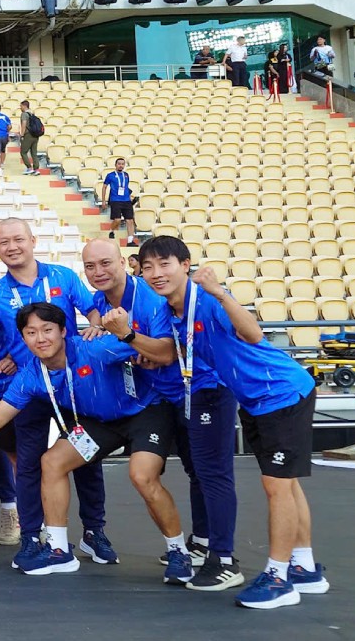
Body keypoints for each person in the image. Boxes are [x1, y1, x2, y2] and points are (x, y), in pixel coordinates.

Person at [139, 236, 326, 609]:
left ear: (185, 264)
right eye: (148, 267)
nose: (156, 274)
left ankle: (278, 577)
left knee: (276, 486)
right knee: (285, 485)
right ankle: (303, 567)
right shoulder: (167, 311)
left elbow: (254, 334)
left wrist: (220, 292)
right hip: (256, 400)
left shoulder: (206, 299)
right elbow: (171, 352)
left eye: (165, 264)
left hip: (281, 393)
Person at [0, 301, 189, 581]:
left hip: (144, 412)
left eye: (47, 330)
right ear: (23, 338)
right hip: (100, 423)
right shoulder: (31, 375)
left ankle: (178, 551)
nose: (40, 338)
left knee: (142, 475)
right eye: (31, 333)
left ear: (63, 331)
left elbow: (165, 352)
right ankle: (59, 550)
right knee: (51, 461)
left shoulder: (94, 347)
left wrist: (144, 351)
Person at [81, 239, 242, 591]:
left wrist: (129, 338)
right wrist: (115, 336)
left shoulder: (153, 299)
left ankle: (224, 557)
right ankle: (201, 542)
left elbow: (167, 352)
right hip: (171, 397)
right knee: (196, 470)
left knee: (211, 474)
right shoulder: (99, 300)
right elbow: (128, 339)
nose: (99, 272)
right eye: (91, 267)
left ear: (124, 263)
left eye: (106, 263)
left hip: (203, 390)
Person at [101, 157, 137, 242]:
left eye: (122, 164)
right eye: (119, 164)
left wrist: (130, 199)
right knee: (117, 219)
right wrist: (103, 200)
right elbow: (104, 187)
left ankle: (130, 241)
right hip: (115, 200)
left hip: (126, 200)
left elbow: (126, 188)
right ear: (115, 165)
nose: (121, 166)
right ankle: (112, 231)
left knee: (130, 220)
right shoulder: (110, 175)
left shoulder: (126, 175)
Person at [16, 100, 44, 175]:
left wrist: (22, 134)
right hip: (35, 135)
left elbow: (24, 124)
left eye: (21, 106)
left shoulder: (24, 114)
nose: (20, 107)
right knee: (34, 153)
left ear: (24, 106)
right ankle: (36, 169)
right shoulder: (32, 114)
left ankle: (29, 167)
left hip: (28, 135)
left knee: (23, 152)